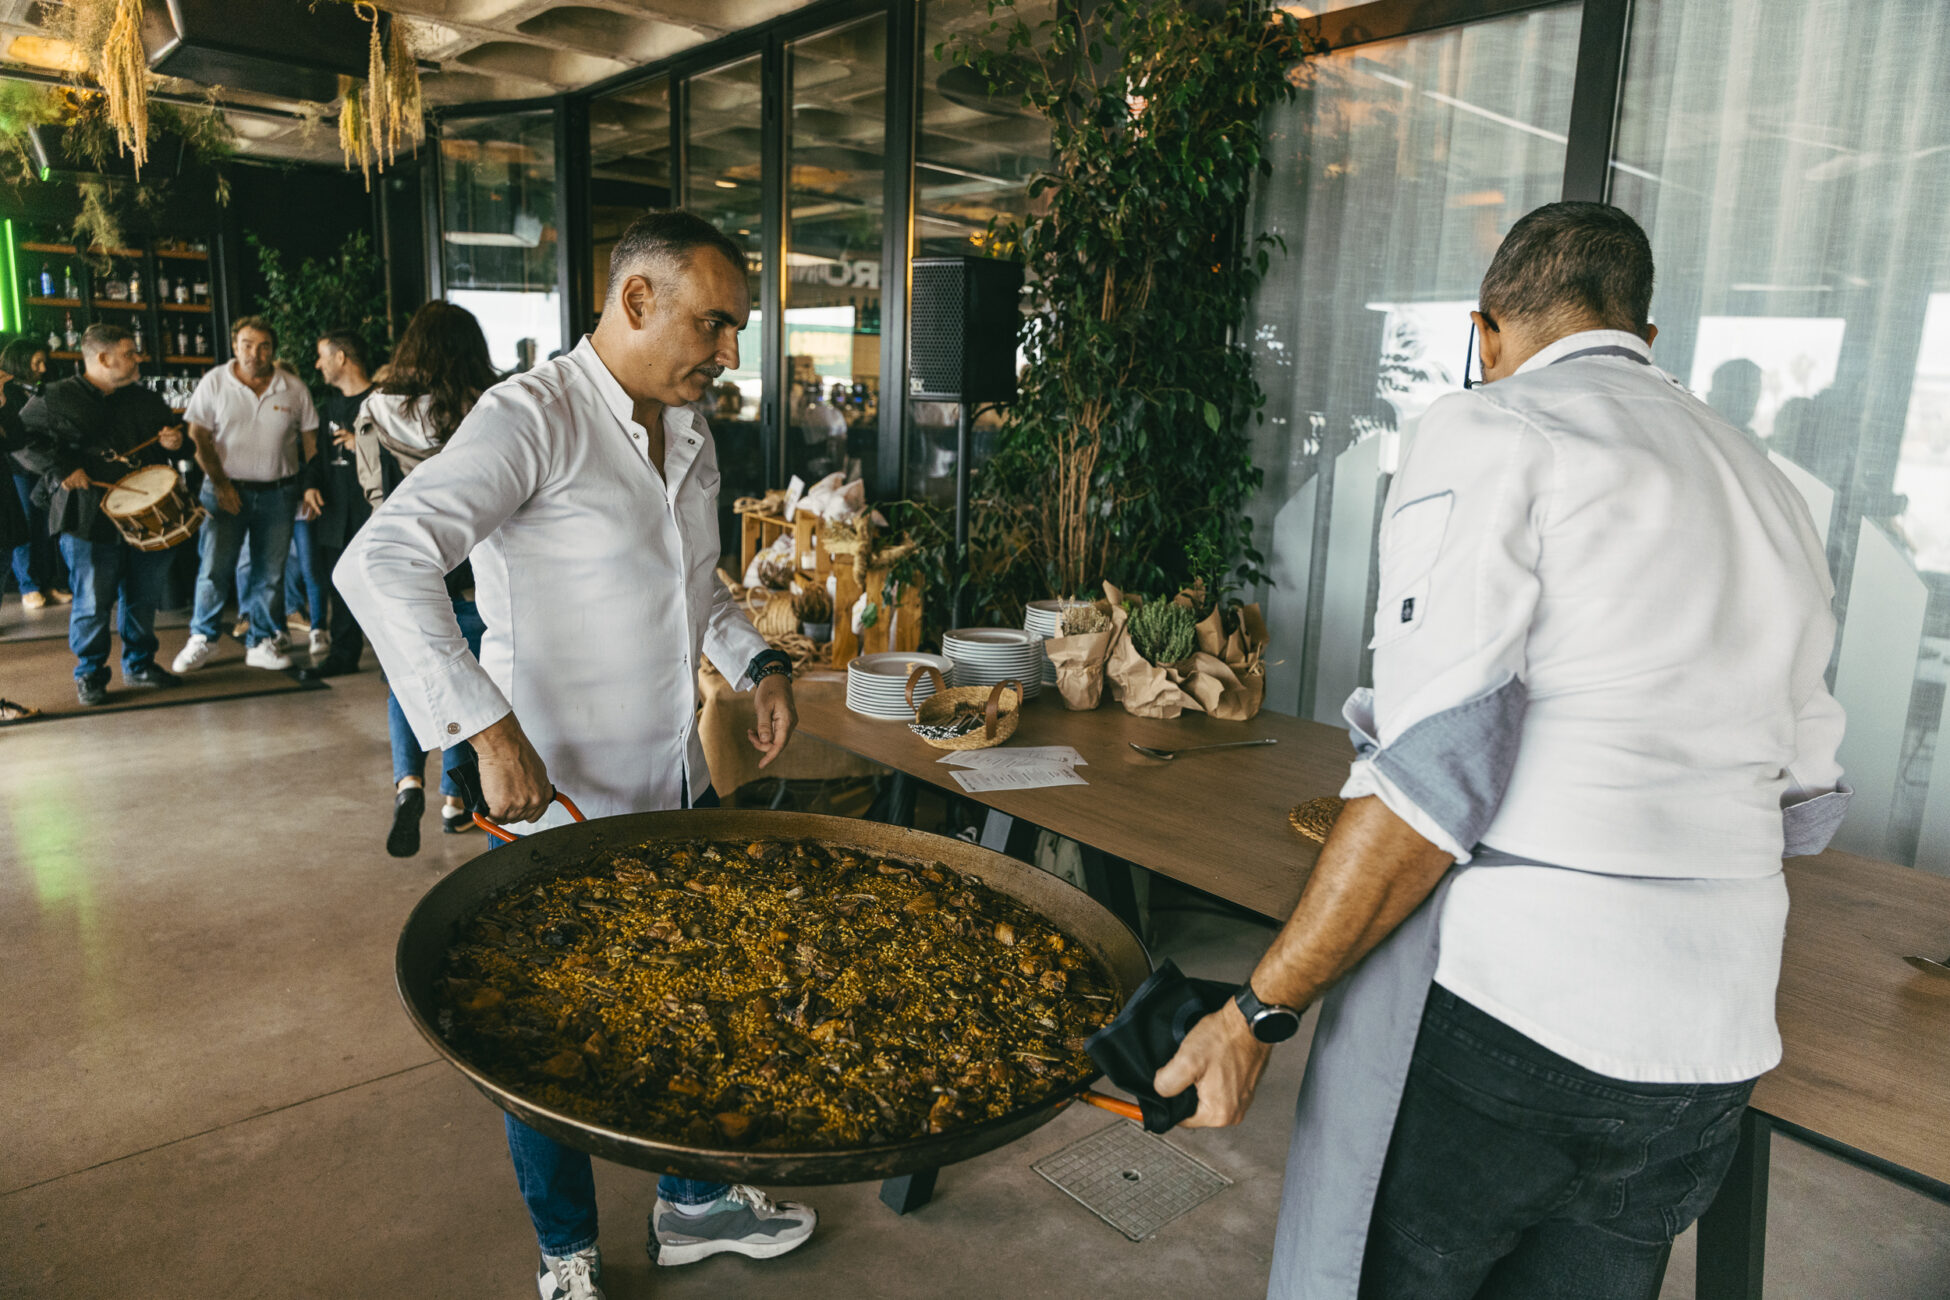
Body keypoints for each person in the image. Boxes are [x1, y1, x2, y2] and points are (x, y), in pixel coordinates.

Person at [1155, 202, 1850, 1300]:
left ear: (1486, 333)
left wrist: (1257, 1009)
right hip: (1709, 1048)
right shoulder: (1771, 488)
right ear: (1647, 338)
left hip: (1521, 1018)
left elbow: (1432, 777)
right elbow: (1807, 798)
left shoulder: (1495, 428)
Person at [336, 210, 814, 1300]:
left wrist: (754, 664)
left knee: (688, 988)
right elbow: (381, 564)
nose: (729, 351)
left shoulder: (688, 429)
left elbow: (696, 588)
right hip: (548, 796)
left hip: (671, 785)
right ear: (636, 302)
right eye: (716, 323)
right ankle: (567, 1253)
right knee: (547, 1033)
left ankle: (692, 1203)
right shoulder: (529, 418)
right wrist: (485, 728)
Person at [346, 303, 498, 852]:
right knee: (464, 674)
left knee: (410, 673)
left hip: (400, 566)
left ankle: (408, 781)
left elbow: (373, 494)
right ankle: (457, 798)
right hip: (471, 570)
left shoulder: (372, 411)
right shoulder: (480, 407)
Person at [14, 325, 188, 704]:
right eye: (129, 353)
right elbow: (19, 440)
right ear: (103, 359)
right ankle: (90, 673)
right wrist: (61, 469)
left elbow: (176, 436)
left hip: (147, 516)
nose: (138, 358)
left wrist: (177, 441)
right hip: (88, 518)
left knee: (143, 597)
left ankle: (140, 664)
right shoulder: (55, 397)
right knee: (92, 601)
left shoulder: (144, 399)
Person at [172, 317, 321, 674]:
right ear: (234, 345)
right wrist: (221, 485)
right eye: (247, 344)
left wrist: (309, 484)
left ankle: (261, 640)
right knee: (214, 568)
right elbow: (198, 437)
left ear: (274, 349)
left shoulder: (294, 387)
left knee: (270, 573)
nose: (255, 353)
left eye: (264, 346)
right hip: (224, 491)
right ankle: (203, 638)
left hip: (279, 493)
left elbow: (311, 443)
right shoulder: (214, 382)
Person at [293, 330, 377, 680]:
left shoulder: (381, 402)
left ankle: (399, 657)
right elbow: (320, 460)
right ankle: (343, 655)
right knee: (340, 587)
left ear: (341, 358)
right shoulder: (330, 407)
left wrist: (365, 446)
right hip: (335, 514)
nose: (318, 364)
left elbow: (404, 457)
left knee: (380, 586)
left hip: (370, 513)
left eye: (322, 356)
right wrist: (310, 485)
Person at [4, 337, 68, 610]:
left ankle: (46, 582)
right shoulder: (8, 390)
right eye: (36, 362)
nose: (42, 368)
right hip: (18, 466)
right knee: (25, 527)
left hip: (45, 464)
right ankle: (28, 585)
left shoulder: (42, 388)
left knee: (46, 526)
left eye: (44, 362)